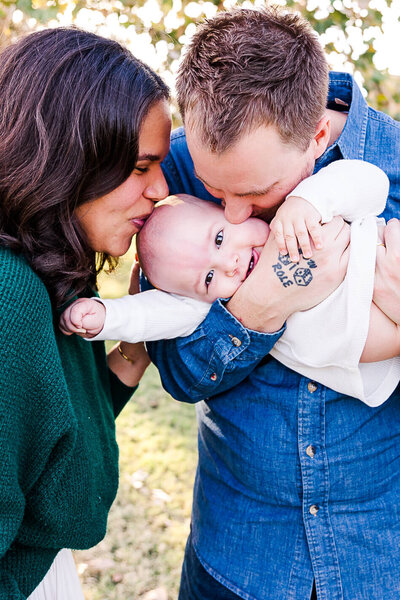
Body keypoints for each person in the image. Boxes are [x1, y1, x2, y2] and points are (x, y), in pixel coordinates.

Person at [145, 7, 400, 600]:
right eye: (214, 191)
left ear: (315, 136)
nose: (232, 213)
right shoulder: (178, 169)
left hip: (378, 557)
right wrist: (255, 311)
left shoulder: (393, 162)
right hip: (238, 556)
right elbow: (179, 373)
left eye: (256, 192)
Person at [0, 27, 171, 599]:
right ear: (70, 157)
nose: (161, 188)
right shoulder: (9, 294)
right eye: (142, 166)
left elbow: (58, 430)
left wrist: (137, 343)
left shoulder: (50, 269)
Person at [61, 159, 400, 406]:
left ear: (228, 208)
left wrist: (306, 202)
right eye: (209, 278)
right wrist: (106, 316)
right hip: (363, 336)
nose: (229, 265)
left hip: (382, 259)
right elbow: (154, 314)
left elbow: (366, 180)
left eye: (220, 239)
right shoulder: (206, 306)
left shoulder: (295, 213)